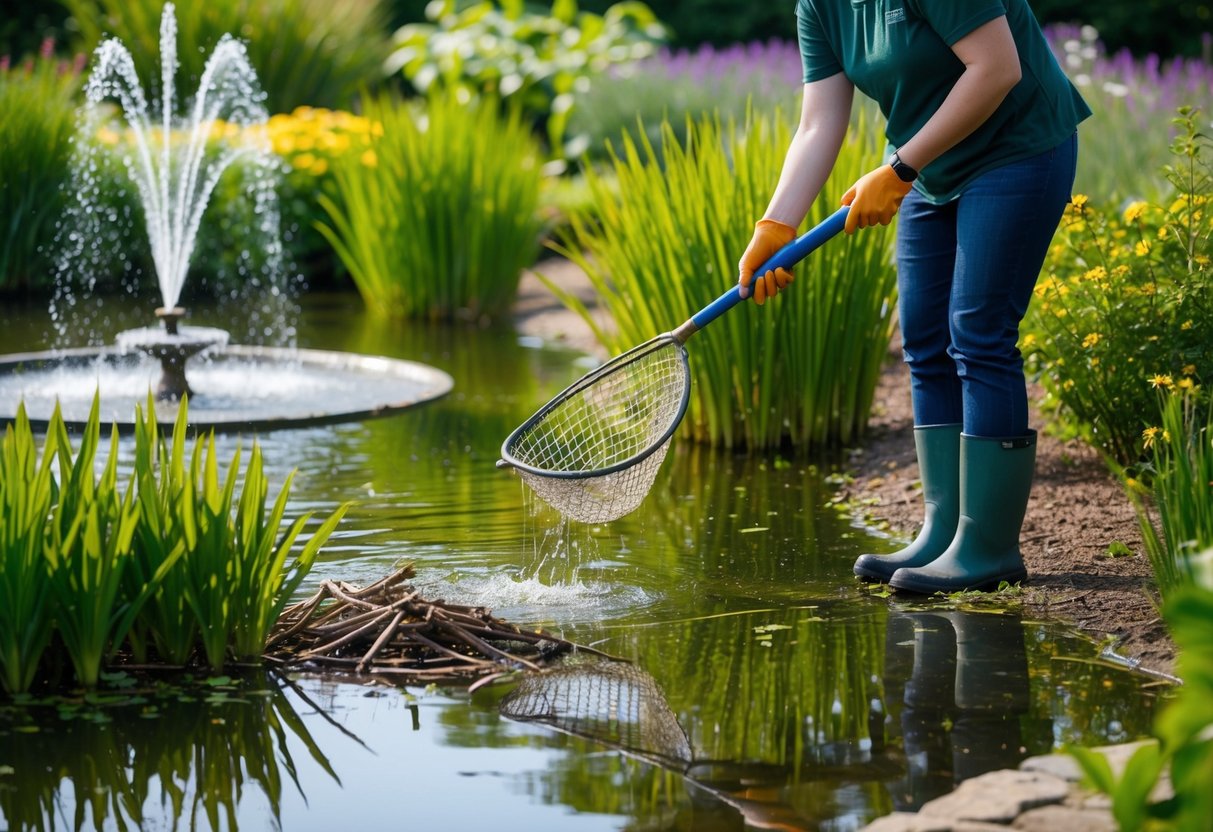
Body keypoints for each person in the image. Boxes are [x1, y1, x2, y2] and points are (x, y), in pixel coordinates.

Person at [736, 0, 1090, 593]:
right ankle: (943, 529)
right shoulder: (818, 7)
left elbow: (997, 69)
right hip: (930, 168)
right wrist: (775, 226)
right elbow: (820, 121)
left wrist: (899, 169)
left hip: (1016, 149)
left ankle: (988, 546)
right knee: (924, 340)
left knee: (979, 334)